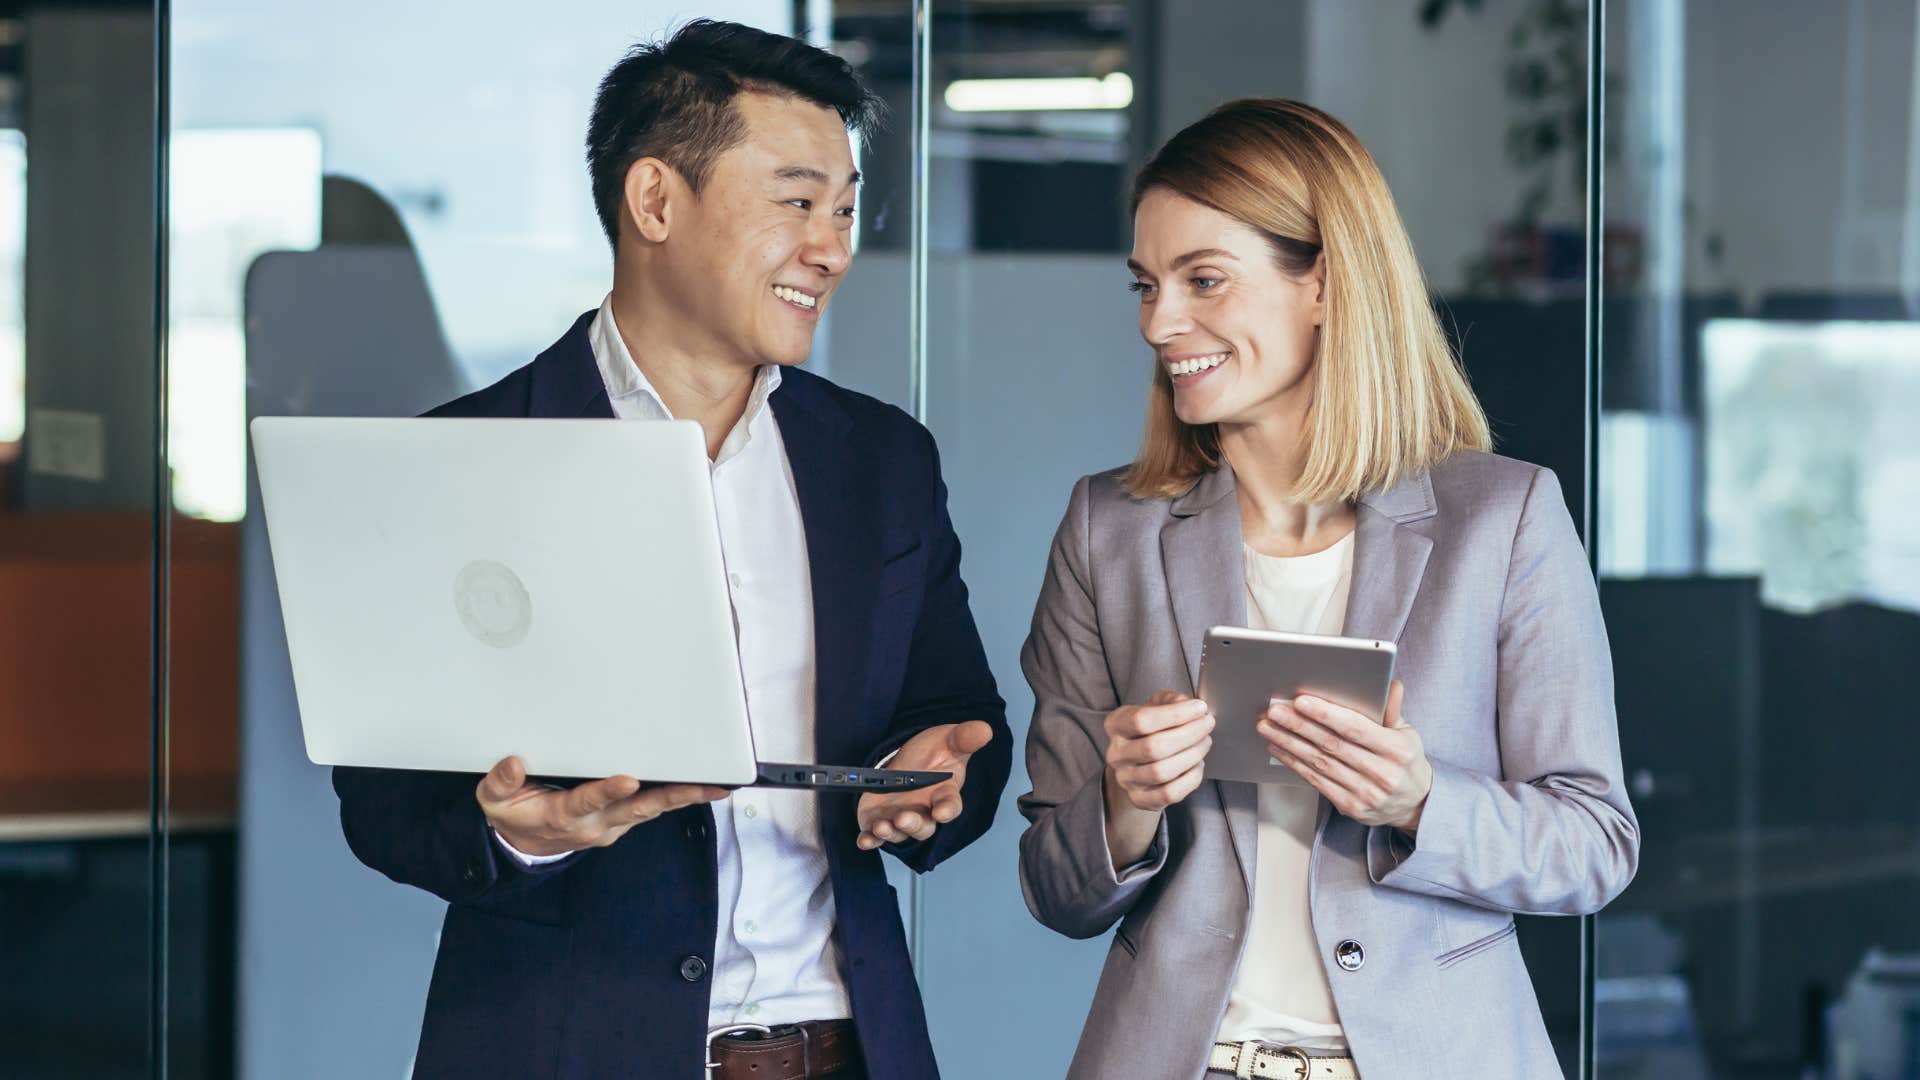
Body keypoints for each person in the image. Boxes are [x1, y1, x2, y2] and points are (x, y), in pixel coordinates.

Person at [331, 21, 1009, 1079]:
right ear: (655, 201)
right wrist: (530, 832)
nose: (830, 247)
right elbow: (386, 807)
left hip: (847, 1047)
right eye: (795, 203)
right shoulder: (472, 460)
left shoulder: (881, 458)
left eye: (842, 209)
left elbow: (960, 715)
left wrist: (933, 780)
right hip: (563, 1047)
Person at [1016, 98, 1639, 1079]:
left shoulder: (1502, 519)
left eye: (1203, 280)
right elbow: (1055, 887)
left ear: (1324, 283)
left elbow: (1592, 846)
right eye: (1146, 284)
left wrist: (1417, 797)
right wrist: (1125, 801)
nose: (1159, 322)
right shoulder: (1110, 531)